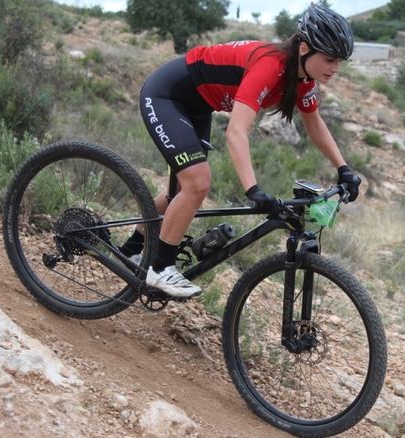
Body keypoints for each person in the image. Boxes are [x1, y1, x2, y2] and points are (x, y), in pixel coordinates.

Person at [120, 3, 362, 298]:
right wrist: (253, 190)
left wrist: (343, 168)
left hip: (198, 106)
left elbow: (314, 123)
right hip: (167, 95)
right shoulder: (271, 66)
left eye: (340, 61)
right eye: (330, 59)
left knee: (183, 189)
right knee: (198, 182)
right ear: (304, 49)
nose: (335, 68)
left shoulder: (302, 80)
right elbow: (236, 132)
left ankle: (132, 250)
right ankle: (160, 268)